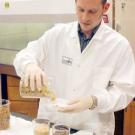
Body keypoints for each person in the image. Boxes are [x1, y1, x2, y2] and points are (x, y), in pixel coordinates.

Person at [13, 0, 135, 134]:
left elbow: (125, 91)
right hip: (53, 123)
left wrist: (94, 101)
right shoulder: (57, 34)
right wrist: (30, 65)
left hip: (90, 127)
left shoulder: (118, 45)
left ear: (105, 7)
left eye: (92, 11)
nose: (84, 17)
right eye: (80, 9)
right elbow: (25, 54)